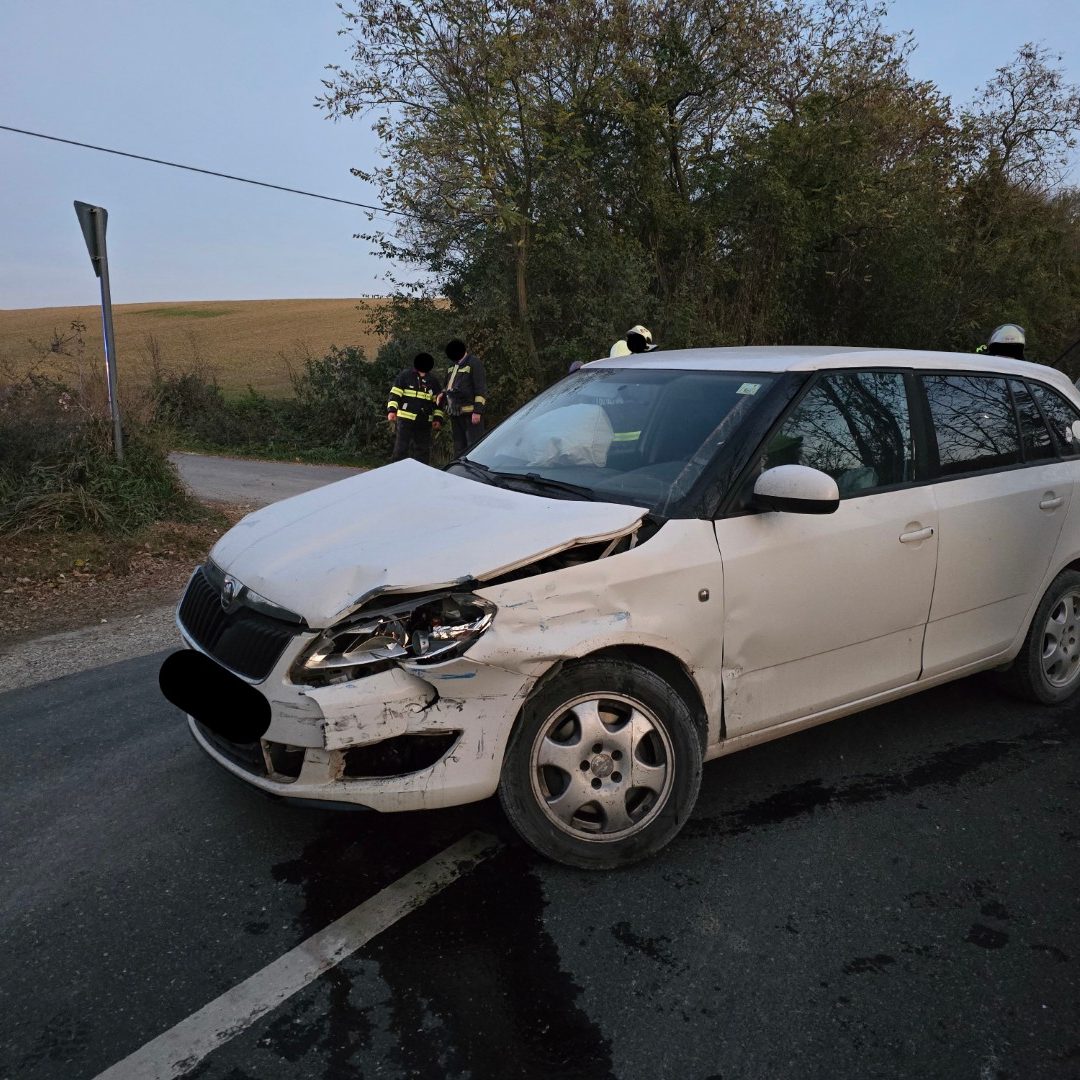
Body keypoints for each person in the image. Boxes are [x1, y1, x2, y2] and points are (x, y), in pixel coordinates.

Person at [387, 352, 444, 465]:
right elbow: (395, 394)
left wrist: (438, 418)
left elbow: (438, 403)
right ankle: (396, 471)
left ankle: (420, 473)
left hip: (424, 421)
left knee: (422, 451)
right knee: (401, 448)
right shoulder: (405, 376)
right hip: (405, 420)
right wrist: (392, 410)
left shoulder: (433, 381)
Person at [441, 339, 487, 457]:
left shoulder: (474, 363)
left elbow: (480, 389)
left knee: (474, 448)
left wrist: (477, 411)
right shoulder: (452, 366)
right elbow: (447, 387)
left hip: (471, 415)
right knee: (459, 448)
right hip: (455, 414)